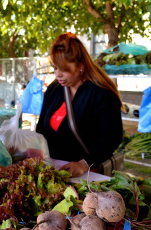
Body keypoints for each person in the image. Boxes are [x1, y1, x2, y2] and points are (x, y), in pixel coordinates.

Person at [36, 32, 123, 177]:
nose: (58, 74)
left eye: (64, 69)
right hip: (53, 171)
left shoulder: (102, 94)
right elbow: (41, 129)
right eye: (55, 68)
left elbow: (112, 138)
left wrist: (84, 164)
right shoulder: (54, 90)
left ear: (80, 65)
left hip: (87, 174)